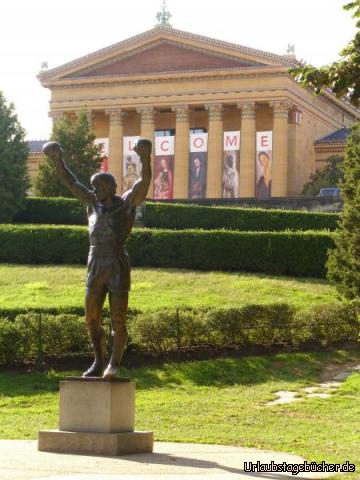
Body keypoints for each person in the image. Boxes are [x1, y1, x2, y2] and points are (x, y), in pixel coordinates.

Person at [43, 139, 152, 379]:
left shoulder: (126, 204)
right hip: (95, 263)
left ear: (110, 188)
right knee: (91, 318)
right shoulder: (92, 205)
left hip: (117, 263)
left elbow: (143, 183)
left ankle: (114, 363)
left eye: (99, 186)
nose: (95, 190)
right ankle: (98, 360)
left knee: (118, 318)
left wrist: (145, 158)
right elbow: (71, 182)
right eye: (93, 187)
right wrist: (57, 159)